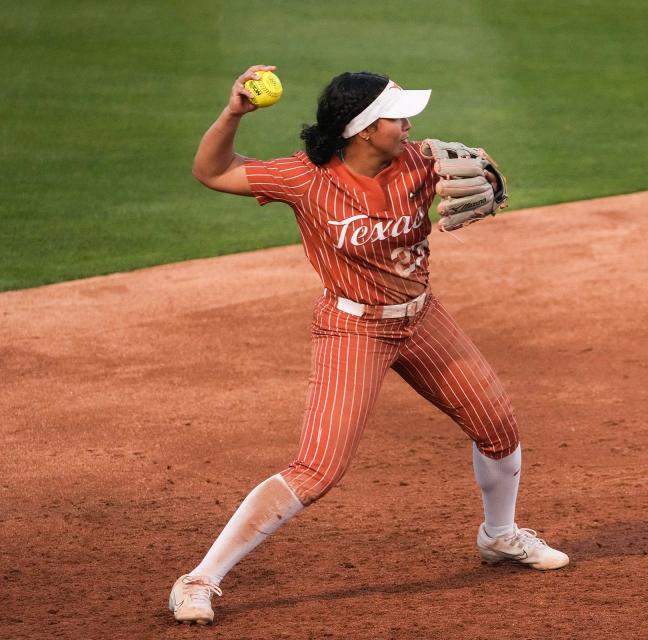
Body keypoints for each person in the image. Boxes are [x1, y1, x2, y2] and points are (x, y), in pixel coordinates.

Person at [168, 65, 569, 625]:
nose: (407, 125)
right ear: (362, 130)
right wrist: (235, 111)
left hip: (422, 320)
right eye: (395, 117)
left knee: (498, 426)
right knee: (317, 469)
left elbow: (479, 168)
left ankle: (499, 536)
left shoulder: (421, 160)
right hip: (352, 329)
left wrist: (495, 180)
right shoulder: (305, 179)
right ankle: (200, 579)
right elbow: (212, 172)